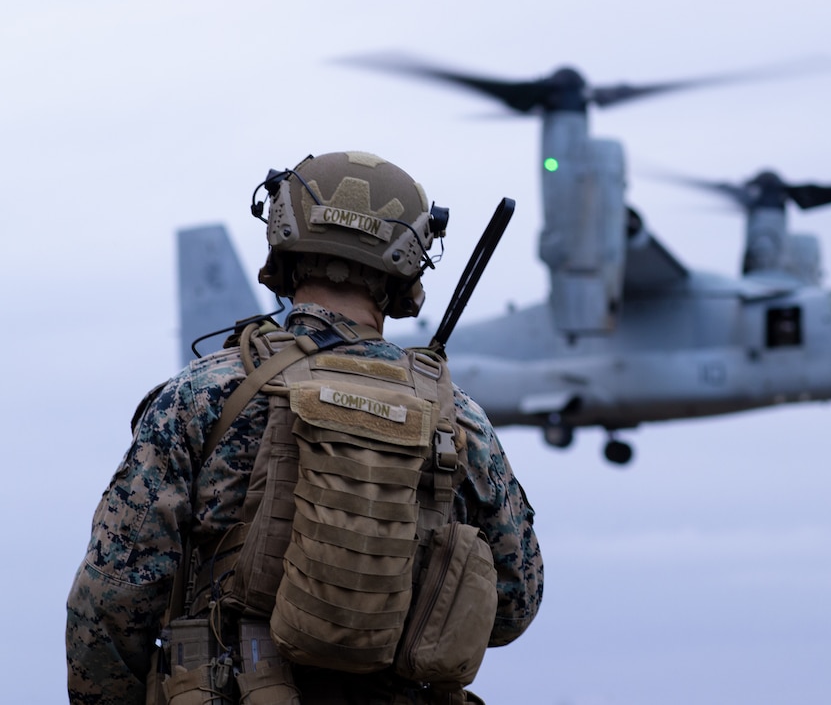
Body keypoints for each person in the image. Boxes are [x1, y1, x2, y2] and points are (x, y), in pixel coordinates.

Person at [66, 151, 544, 704]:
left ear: (285, 244)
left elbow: (109, 597)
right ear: (407, 268)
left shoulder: (201, 396)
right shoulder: (459, 420)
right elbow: (512, 602)